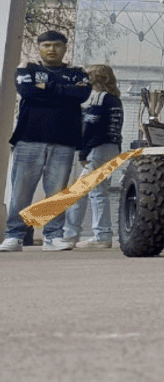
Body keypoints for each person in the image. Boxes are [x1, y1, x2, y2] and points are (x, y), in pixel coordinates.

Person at [1, 31, 90, 252]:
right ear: (39, 47)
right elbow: (28, 91)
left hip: (64, 141)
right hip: (29, 139)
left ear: (65, 48)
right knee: (21, 191)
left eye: (57, 45)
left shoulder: (77, 72)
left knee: (57, 193)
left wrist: (47, 87)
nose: (52, 49)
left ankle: (53, 236)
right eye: (47, 45)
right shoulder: (27, 69)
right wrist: (64, 91)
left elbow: (81, 95)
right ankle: (14, 236)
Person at [63, 65, 124, 249]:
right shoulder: (115, 100)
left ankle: (82, 235)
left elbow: (91, 126)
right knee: (96, 191)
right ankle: (91, 234)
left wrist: (83, 151)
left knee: (87, 192)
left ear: (95, 79)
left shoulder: (99, 97)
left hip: (98, 148)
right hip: (112, 147)